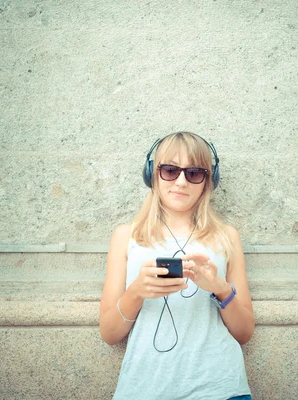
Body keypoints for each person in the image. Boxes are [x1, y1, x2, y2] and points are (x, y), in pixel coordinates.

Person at [100, 131, 254, 400]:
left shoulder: (227, 236)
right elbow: (110, 333)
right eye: (170, 170)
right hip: (144, 389)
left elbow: (244, 333)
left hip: (219, 389)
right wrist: (136, 292)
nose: (181, 182)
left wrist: (220, 288)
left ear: (208, 181)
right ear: (153, 174)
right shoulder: (126, 236)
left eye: (194, 173)